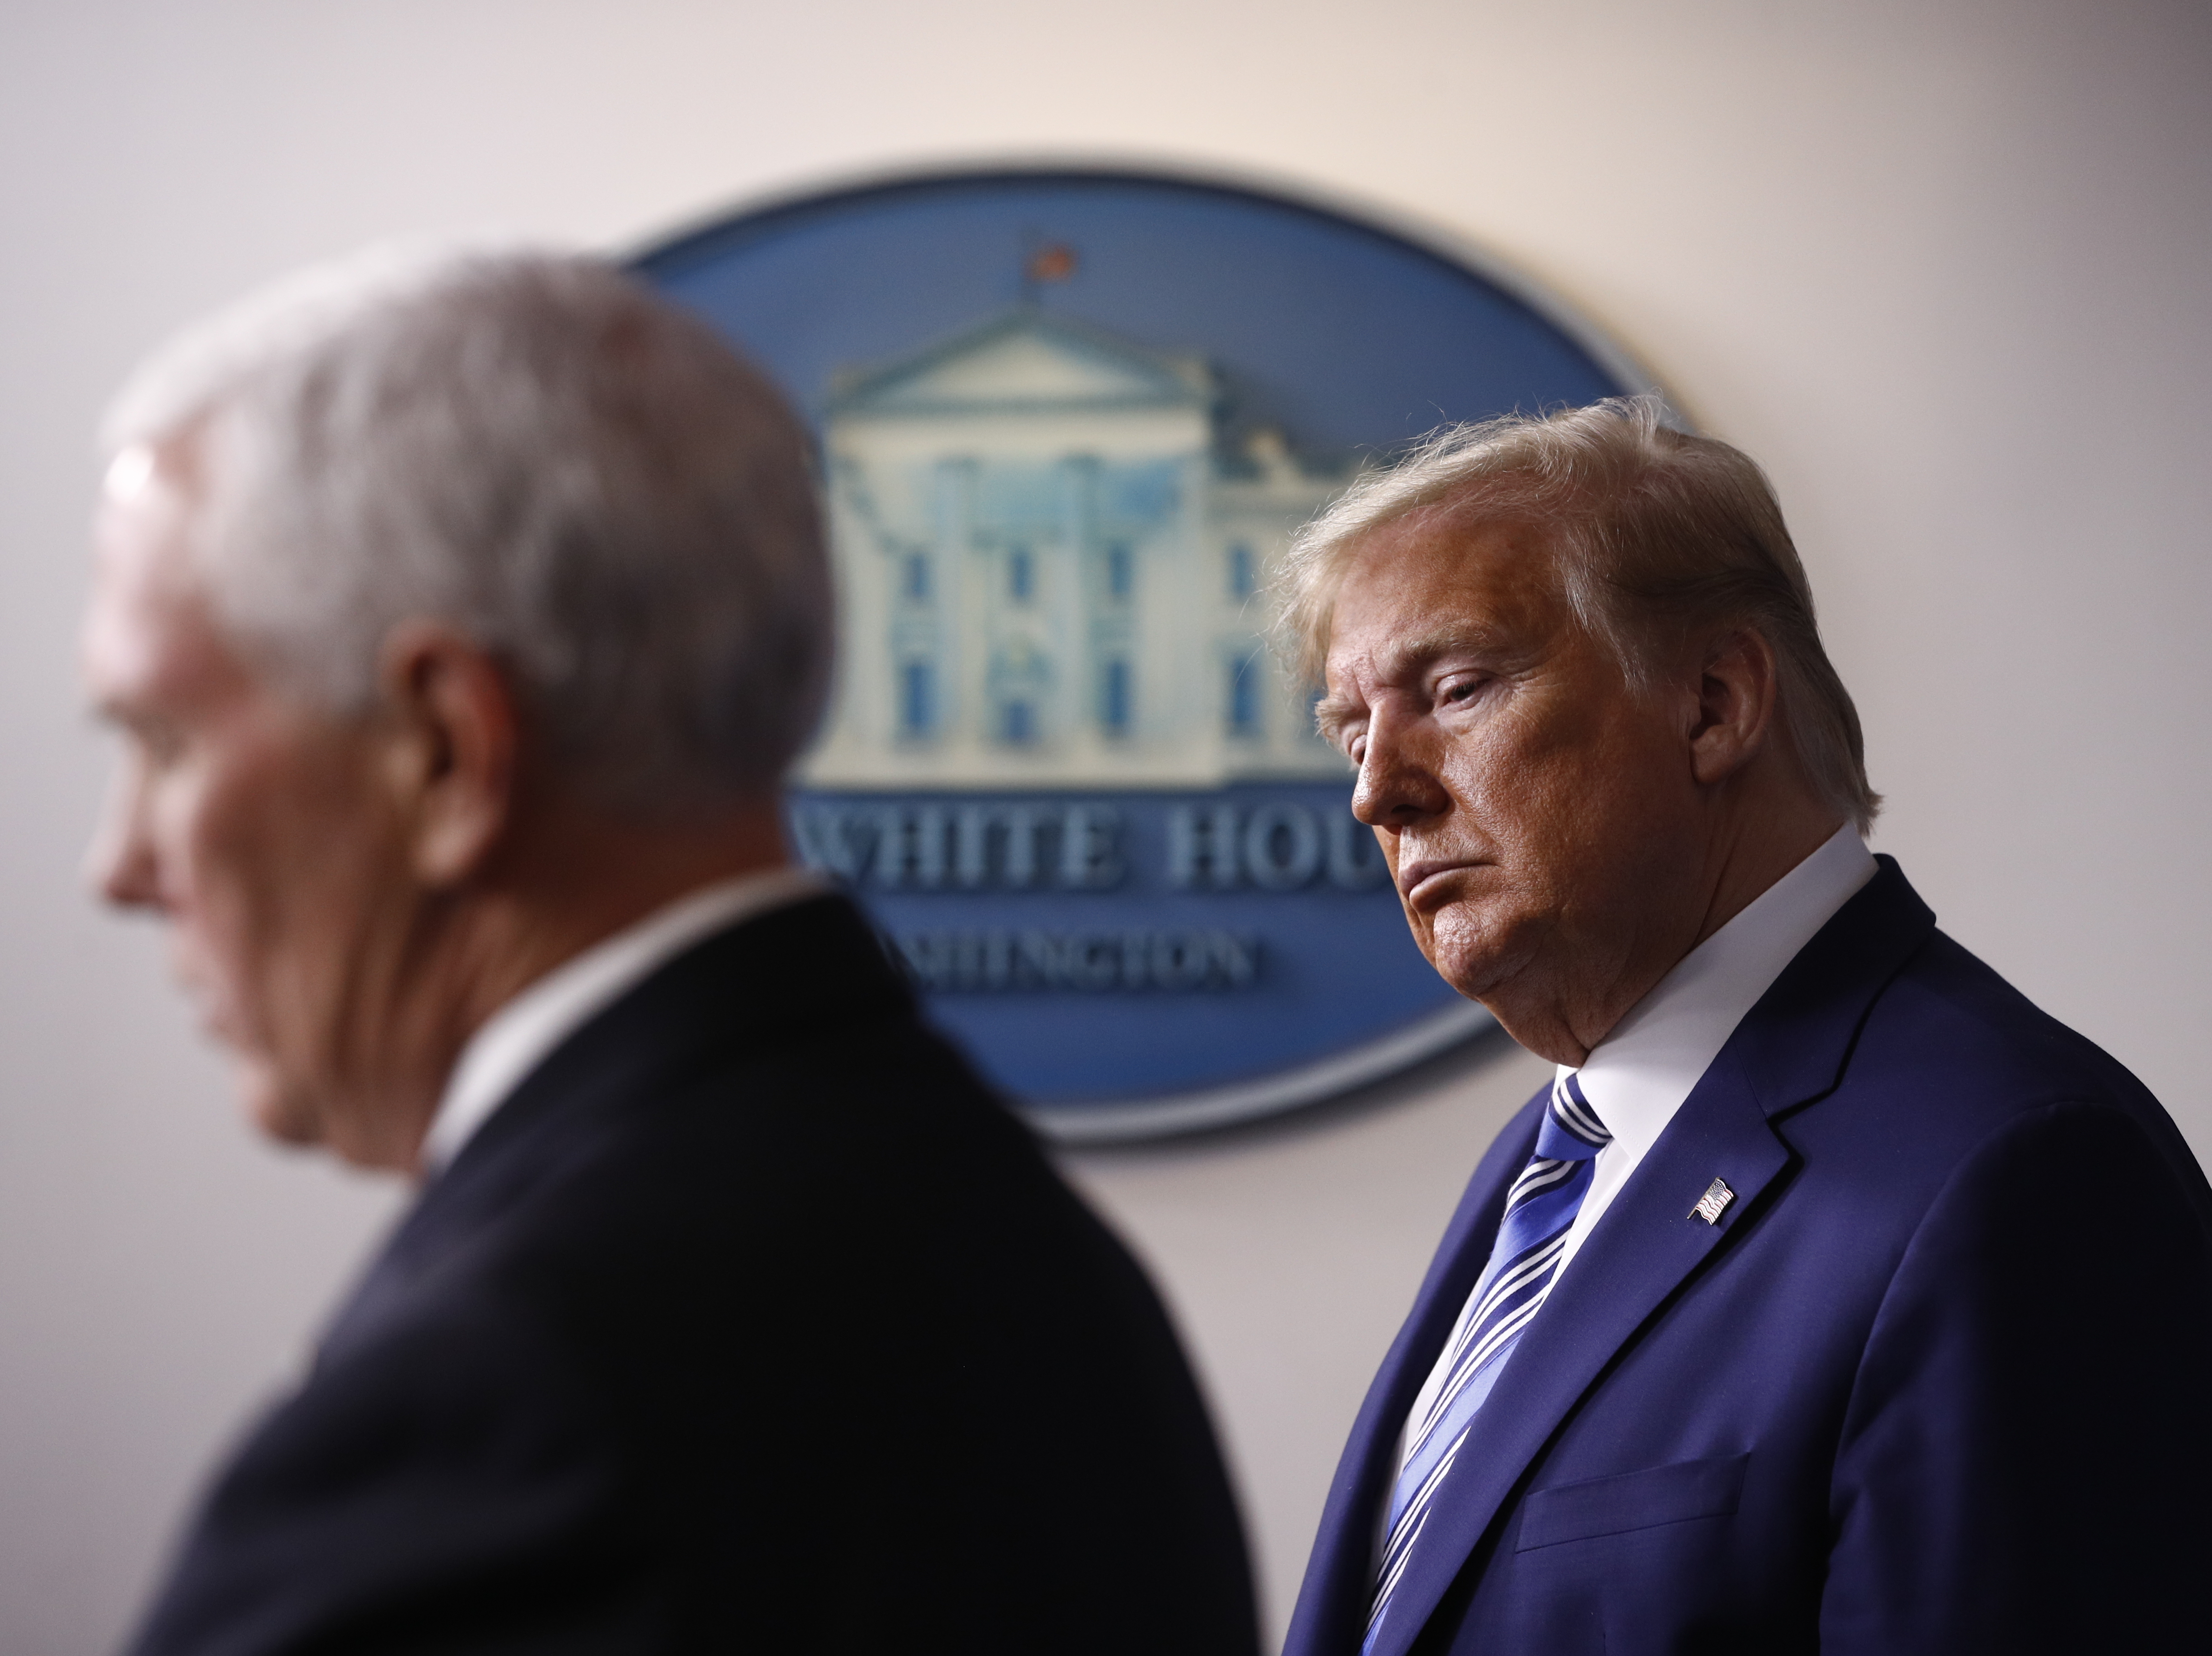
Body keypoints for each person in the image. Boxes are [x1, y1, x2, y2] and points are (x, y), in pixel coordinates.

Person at [82, 246, 1256, 1656]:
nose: (121, 869)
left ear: (444, 752)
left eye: (164, 743)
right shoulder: (1028, 1261)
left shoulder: (509, 1398)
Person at [1274, 398, 2212, 1656]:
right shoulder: (1555, 1157)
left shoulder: (2018, 1176)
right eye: (1352, 730)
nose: (1378, 790)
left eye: (1454, 688)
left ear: (1714, 704)